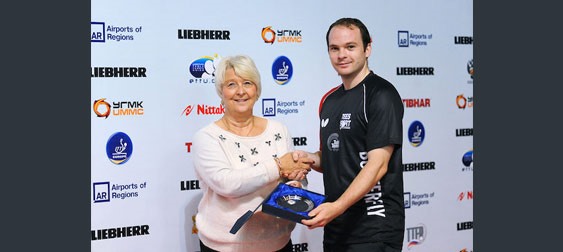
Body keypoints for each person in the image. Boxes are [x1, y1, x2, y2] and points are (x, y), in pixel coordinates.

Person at [298, 17, 405, 251]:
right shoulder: (329, 100)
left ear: (368, 48)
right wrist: (308, 159)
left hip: (374, 228)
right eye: (334, 49)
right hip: (337, 227)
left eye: (350, 47)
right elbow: (335, 157)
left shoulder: (381, 94)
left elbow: (378, 165)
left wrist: (336, 207)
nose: (341, 55)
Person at [192, 55, 313, 252]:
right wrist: (279, 166)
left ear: (256, 90)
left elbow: (295, 179)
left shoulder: (278, 130)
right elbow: (227, 183)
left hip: (278, 243)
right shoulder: (207, 137)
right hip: (225, 247)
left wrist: (296, 182)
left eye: (247, 83)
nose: (240, 91)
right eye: (231, 84)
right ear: (221, 92)